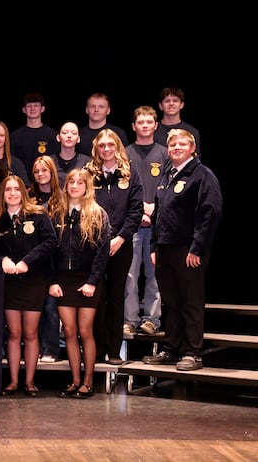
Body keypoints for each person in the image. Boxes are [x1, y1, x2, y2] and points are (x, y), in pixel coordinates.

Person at [143, 129, 222, 371]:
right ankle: (170, 349)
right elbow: (158, 214)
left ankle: (192, 353)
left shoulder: (201, 175)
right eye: (172, 144)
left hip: (189, 249)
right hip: (165, 249)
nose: (176, 147)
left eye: (182, 144)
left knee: (190, 300)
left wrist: (197, 248)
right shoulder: (167, 175)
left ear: (192, 148)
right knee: (170, 301)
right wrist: (155, 246)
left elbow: (210, 213)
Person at [0, 175, 57, 397]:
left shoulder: (37, 215)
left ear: (23, 192)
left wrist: (27, 261)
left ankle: (30, 381)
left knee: (30, 333)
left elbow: (49, 242)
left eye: (16, 189)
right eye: (7, 190)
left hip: (33, 281)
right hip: (9, 283)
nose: (12, 193)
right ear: (2, 194)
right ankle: (13, 381)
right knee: (14, 333)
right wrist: (3, 261)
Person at [48, 168, 111, 398]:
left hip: (88, 280)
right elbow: (50, 251)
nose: (75, 186)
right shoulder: (57, 213)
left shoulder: (98, 213)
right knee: (70, 332)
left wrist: (93, 282)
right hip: (64, 280)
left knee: (85, 331)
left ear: (87, 187)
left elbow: (102, 253)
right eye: (71, 182)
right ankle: (74, 380)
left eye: (79, 182)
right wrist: (53, 281)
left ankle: (88, 381)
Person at [86, 129, 143, 365]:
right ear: (97, 149)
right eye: (102, 146)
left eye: (110, 145)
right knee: (97, 298)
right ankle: (96, 350)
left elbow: (136, 211)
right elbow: (83, 206)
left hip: (121, 244)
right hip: (93, 245)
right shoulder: (89, 174)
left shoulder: (129, 173)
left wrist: (120, 238)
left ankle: (113, 351)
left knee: (116, 296)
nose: (106, 149)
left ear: (117, 146)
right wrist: (98, 240)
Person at [124, 106, 169, 336]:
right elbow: (123, 190)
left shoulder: (165, 153)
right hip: (131, 224)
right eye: (139, 122)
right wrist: (139, 210)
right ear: (133, 126)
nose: (144, 125)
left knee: (154, 273)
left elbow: (171, 188)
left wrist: (154, 210)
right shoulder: (124, 153)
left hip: (158, 225)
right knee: (129, 274)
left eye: (148, 122)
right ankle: (129, 319)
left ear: (155, 125)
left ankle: (152, 319)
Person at [27, 155, 62, 364]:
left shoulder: (62, 196)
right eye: (37, 171)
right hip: (34, 258)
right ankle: (34, 348)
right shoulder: (29, 197)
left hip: (56, 259)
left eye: (44, 170)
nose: (41, 174)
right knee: (35, 307)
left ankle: (51, 349)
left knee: (51, 307)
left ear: (52, 172)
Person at [10, 92, 59, 172]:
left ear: (42, 109)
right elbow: (13, 164)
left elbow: (55, 163)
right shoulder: (15, 136)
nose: (32, 109)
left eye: (36, 105)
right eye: (29, 106)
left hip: (46, 181)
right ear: (24, 110)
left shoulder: (53, 135)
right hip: (22, 182)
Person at [154, 87, 202, 158]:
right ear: (160, 106)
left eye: (175, 101)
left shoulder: (192, 131)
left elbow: (195, 158)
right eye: (167, 101)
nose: (171, 103)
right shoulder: (152, 130)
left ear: (182, 105)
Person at [50, 121, 92, 185]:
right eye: (65, 133)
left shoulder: (87, 162)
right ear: (58, 138)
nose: (69, 136)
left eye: (73, 133)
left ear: (78, 139)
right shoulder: (50, 162)